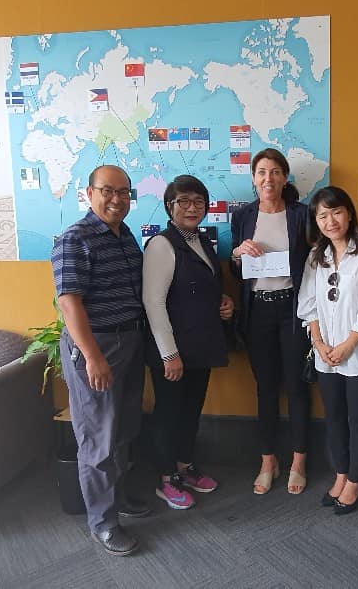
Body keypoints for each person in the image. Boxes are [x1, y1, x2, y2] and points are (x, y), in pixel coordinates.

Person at [52, 165, 152, 556]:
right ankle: (103, 523)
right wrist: (93, 357)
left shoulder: (125, 236)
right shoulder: (75, 239)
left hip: (130, 341)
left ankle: (118, 498)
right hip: (97, 347)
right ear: (89, 193)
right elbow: (69, 303)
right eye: (108, 191)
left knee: (123, 429)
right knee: (98, 440)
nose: (116, 199)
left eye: (124, 192)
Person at [142, 175, 235, 509]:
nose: (192, 208)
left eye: (198, 202)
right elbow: (153, 302)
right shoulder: (162, 244)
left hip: (199, 346)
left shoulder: (201, 241)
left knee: (191, 411)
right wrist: (169, 355)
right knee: (169, 413)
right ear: (170, 206)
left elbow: (199, 288)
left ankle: (184, 466)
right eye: (183, 201)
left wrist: (224, 302)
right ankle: (166, 479)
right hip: (173, 350)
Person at [297, 186, 358, 516]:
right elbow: (308, 302)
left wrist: (348, 344)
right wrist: (319, 344)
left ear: (349, 213)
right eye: (322, 215)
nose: (330, 221)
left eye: (336, 212)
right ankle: (341, 474)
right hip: (326, 354)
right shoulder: (315, 257)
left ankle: (356, 481)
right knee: (334, 418)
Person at [230, 148, 313, 495]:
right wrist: (237, 253)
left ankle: (298, 461)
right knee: (265, 388)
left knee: (296, 386)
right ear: (253, 178)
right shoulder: (243, 216)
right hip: (258, 311)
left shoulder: (301, 214)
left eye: (275, 172)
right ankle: (268, 461)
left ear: (285, 177)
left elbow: (320, 255)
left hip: (293, 309)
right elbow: (236, 269)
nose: (269, 178)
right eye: (262, 172)